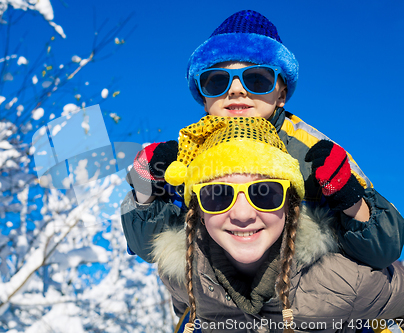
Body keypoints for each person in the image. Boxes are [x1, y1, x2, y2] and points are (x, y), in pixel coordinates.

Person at [121, 10, 404, 271]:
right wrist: (144, 186)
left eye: (256, 80)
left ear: (280, 94)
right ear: (204, 97)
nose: (236, 90)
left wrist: (348, 197)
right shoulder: (186, 153)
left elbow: (384, 249)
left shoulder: (311, 150)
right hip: (219, 301)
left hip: (307, 299)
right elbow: (150, 246)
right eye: (217, 81)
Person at [151, 116, 404, 333]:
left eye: (264, 193)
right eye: (217, 195)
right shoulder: (184, 276)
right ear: (198, 212)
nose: (242, 214)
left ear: (289, 205)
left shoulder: (339, 281)